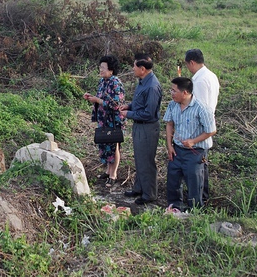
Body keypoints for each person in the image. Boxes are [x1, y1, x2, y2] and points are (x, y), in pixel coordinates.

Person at [164, 77, 216, 210]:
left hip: (195, 152)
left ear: (185, 92)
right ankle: (174, 208)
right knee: (173, 180)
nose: (172, 93)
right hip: (177, 150)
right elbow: (169, 124)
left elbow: (211, 130)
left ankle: (195, 211)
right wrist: (169, 146)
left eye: (174, 91)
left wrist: (193, 141)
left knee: (194, 182)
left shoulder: (201, 108)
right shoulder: (172, 105)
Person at [119, 54, 162, 205]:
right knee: (139, 159)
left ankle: (149, 193)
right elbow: (140, 103)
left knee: (146, 161)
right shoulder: (143, 81)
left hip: (147, 128)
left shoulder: (152, 86)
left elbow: (149, 113)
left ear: (142, 69)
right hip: (139, 125)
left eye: (134, 66)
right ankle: (139, 187)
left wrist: (128, 114)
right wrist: (129, 106)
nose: (132, 68)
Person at [83, 55, 126, 188]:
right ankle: (107, 171)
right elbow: (101, 98)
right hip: (103, 119)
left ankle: (113, 174)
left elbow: (116, 104)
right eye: (100, 67)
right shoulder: (103, 81)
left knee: (114, 146)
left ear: (111, 70)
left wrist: (98, 100)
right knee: (105, 144)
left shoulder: (116, 83)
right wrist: (92, 98)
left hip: (114, 120)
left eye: (103, 68)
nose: (100, 70)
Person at [185, 49, 220, 201]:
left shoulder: (198, 81)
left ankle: (199, 201)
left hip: (199, 130)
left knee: (196, 170)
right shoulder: (211, 76)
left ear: (192, 62)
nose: (188, 68)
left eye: (187, 65)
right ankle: (203, 198)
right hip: (207, 126)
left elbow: (197, 107)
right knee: (202, 167)